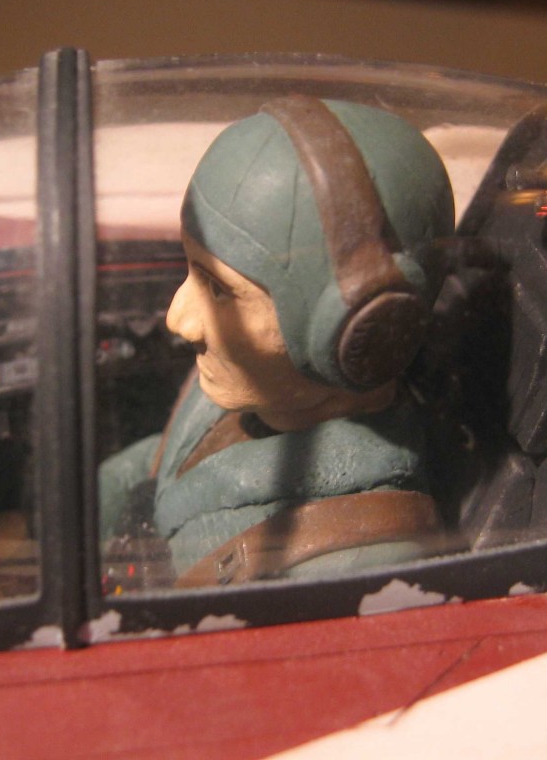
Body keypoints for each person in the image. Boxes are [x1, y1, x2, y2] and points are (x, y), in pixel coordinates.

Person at [100, 95, 455, 589]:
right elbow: (163, 466)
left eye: (218, 289)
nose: (177, 319)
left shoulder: (349, 561)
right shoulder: (248, 383)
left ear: (356, 330)